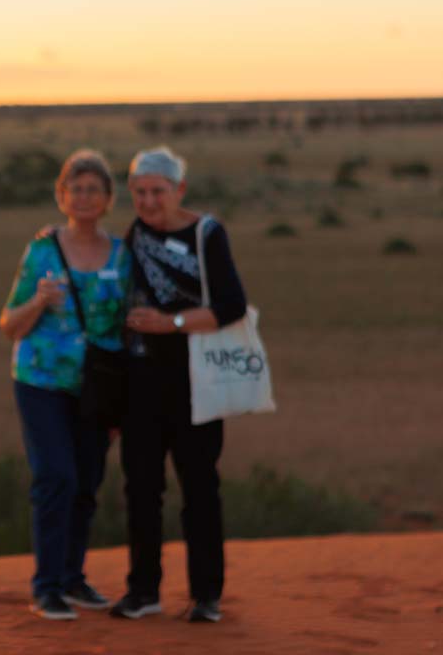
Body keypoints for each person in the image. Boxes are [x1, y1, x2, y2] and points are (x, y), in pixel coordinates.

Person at [110, 146, 247, 624]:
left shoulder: (208, 234)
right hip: (141, 387)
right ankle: (143, 591)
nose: (148, 201)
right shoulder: (135, 235)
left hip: (197, 384)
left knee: (200, 490)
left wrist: (170, 323)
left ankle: (206, 595)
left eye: (158, 191)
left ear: (179, 190)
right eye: (140, 192)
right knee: (142, 490)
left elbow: (231, 306)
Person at [0, 149, 131, 621]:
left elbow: (125, 328)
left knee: (88, 483)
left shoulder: (122, 255)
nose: (84, 196)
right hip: (40, 381)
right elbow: (10, 323)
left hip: (98, 387)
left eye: (94, 189)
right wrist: (38, 300)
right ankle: (47, 585)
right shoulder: (42, 251)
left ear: (108, 198)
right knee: (57, 476)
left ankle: (74, 579)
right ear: (61, 196)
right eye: (75, 188)